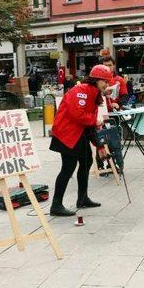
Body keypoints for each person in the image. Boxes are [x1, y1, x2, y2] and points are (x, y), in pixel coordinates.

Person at [49, 64, 112, 216]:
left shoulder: (95, 93)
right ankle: (56, 205)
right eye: (105, 81)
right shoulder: (81, 91)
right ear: (97, 79)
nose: (107, 85)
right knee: (68, 168)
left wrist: (99, 144)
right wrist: (95, 120)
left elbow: (90, 123)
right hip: (67, 134)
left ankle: (82, 199)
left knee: (86, 163)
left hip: (79, 134)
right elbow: (77, 115)